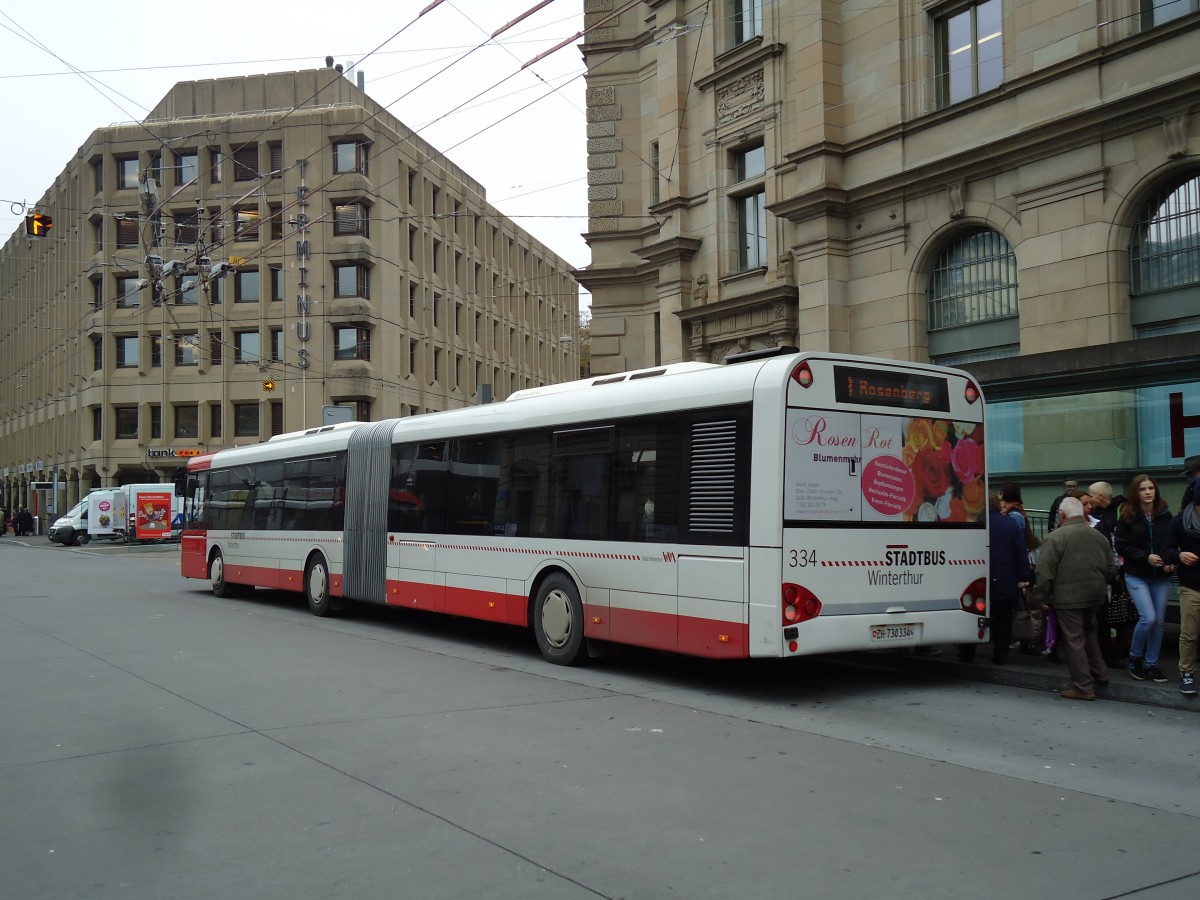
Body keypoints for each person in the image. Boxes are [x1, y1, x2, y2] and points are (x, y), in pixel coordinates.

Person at [1032, 496, 1116, 700]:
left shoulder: (1056, 537)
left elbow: (1045, 572)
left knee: (1074, 638)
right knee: (1088, 631)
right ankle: (1101, 673)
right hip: (1095, 595)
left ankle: (1083, 686)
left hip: (1068, 597)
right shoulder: (1097, 536)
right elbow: (1111, 569)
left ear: (1062, 515)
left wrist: (1039, 597)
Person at [1113, 474, 1175, 683]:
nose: (1148, 492)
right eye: (1143, 489)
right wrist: (1145, 557)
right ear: (1135, 493)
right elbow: (1121, 545)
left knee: (1158, 622)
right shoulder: (1128, 515)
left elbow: (1171, 544)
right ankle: (1134, 656)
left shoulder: (1165, 514)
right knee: (1148, 617)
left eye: (1151, 488)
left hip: (1160, 576)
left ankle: (1152, 664)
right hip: (1137, 574)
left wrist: (1169, 561)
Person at [1163, 468, 1200, 696]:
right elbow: (1166, 550)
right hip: (1192, 586)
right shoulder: (1180, 523)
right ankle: (1187, 674)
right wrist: (1179, 556)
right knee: (1190, 634)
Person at [986, 493, 1032, 664]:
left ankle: (967, 652)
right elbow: (1020, 551)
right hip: (1005, 576)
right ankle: (1001, 654)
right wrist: (1024, 575)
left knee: (975, 616)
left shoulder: (978, 524)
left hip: (979, 576)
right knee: (1003, 617)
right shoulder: (1010, 523)